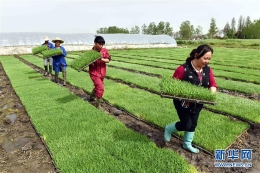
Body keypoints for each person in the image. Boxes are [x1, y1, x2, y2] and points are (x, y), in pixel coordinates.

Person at [164, 44, 217, 154]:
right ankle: (169, 129)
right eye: (205, 58)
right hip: (183, 103)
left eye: (209, 59)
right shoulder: (183, 69)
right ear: (197, 55)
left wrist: (211, 94)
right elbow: (172, 85)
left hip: (198, 103)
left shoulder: (207, 70)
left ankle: (187, 144)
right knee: (186, 124)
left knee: (193, 124)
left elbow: (212, 84)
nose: (207, 61)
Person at [89, 36, 111, 108]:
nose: (101, 46)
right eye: (100, 44)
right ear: (95, 43)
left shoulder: (104, 51)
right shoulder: (91, 53)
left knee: (97, 86)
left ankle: (91, 97)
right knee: (100, 88)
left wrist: (101, 59)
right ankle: (97, 105)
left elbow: (108, 60)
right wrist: (91, 62)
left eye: (102, 44)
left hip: (102, 72)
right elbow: (87, 63)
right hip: (94, 73)